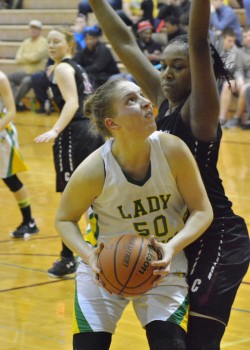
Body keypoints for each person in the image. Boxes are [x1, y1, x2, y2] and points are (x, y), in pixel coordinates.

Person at [87, 0, 250, 349]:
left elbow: (197, 41)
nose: (166, 73)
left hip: (219, 235)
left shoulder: (200, 112)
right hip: (184, 234)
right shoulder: (163, 104)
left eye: (178, 67)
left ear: (199, 68)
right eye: (163, 66)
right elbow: (127, 44)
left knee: (200, 342)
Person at [55, 77, 213, 350]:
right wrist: (89, 254)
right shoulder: (94, 169)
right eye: (131, 100)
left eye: (141, 95)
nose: (146, 103)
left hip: (163, 266)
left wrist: (172, 247)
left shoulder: (172, 150)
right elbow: (64, 219)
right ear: (112, 124)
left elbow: (202, 210)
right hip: (104, 270)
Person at [34, 25, 104, 278]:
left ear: (69, 45)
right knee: (94, 196)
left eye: (56, 41)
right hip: (91, 130)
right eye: (49, 42)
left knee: (71, 199)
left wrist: (54, 130)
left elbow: (72, 102)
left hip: (75, 133)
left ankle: (68, 258)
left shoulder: (63, 68)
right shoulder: (75, 66)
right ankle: (101, 250)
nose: (51, 46)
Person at [0, 70, 39, 238]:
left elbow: (11, 112)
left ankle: (29, 222)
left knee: (10, 178)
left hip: (2, 134)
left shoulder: (1, 78)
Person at [7, 19, 48, 111]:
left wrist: (24, 57)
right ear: (29, 29)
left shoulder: (44, 42)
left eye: (36, 28)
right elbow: (17, 59)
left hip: (37, 74)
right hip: (25, 72)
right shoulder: (25, 42)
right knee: (7, 78)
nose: (33, 30)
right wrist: (30, 58)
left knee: (26, 81)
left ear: (40, 30)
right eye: (32, 28)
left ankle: (11, 105)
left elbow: (36, 57)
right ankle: (17, 103)